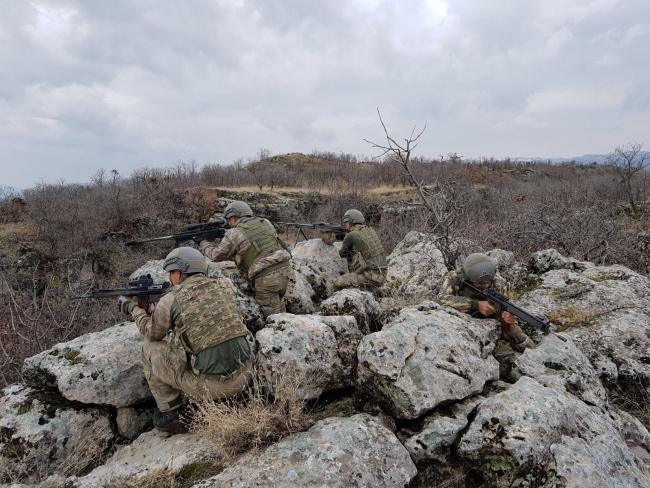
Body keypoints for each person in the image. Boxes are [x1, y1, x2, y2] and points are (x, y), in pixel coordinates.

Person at [118, 247, 253, 434]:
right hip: (245, 376)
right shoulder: (225, 285)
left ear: (178, 272)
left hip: (211, 388)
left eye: (170, 273)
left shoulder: (171, 299)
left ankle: (172, 414)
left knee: (150, 349)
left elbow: (152, 334)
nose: (169, 278)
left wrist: (135, 310)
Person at [196, 201, 292, 317]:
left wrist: (203, 242)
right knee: (280, 306)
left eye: (229, 219)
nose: (229, 223)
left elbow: (216, 255)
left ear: (234, 217)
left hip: (266, 277)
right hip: (285, 269)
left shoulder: (234, 233)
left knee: (271, 316)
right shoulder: (265, 222)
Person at [437, 253, 536, 353]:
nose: (485, 285)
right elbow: (442, 299)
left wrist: (507, 319)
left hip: (490, 319)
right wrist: (476, 305)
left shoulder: (498, 282)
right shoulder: (454, 278)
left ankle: (535, 355)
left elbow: (503, 306)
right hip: (459, 318)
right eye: (480, 283)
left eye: (488, 282)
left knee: (515, 331)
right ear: (468, 278)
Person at [333, 209, 387, 291]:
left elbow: (342, 254)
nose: (345, 224)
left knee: (338, 283)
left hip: (371, 276)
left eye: (346, 222)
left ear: (350, 222)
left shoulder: (351, 235)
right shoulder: (370, 230)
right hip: (383, 274)